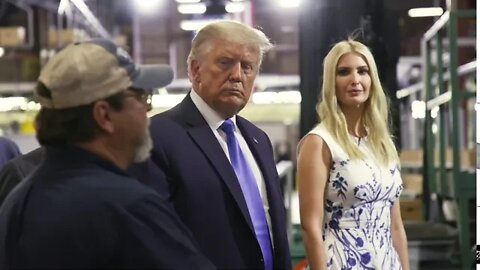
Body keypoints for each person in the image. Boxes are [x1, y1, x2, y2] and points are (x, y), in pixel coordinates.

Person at [0, 39, 215, 269]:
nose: (147, 109)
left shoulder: (18, 199)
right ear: (104, 115)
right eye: (141, 97)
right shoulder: (128, 207)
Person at [131, 20, 291, 269]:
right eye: (225, 63)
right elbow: (154, 241)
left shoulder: (259, 139)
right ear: (195, 70)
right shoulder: (157, 137)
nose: (237, 75)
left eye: (247, 67)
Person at [296, 39, 410, 270]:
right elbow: (310, 227)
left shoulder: (382, 142)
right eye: (344, 72)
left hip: (388, 263)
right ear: (331, 82)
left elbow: (396, 224)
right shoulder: (319, 142)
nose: (355, 80)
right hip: (340, 262)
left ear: (372, 80)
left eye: (363, 71)